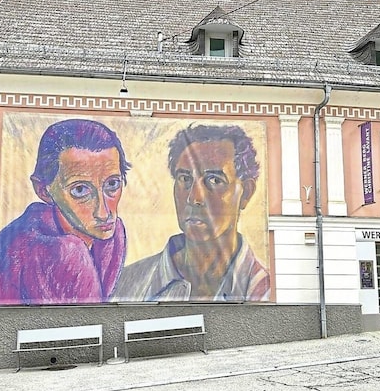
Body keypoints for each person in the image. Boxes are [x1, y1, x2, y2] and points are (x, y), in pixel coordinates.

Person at [114, 124, 269, 302]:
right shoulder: (127, 284)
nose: (194, 198)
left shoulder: (263, 290)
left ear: (246, 192)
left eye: (214, 180)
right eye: (185, 179)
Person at [0, 119, 131, 305]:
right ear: (43, 190)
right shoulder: (61, 252)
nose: (104, 212)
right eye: (80, 190)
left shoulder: (113, 236)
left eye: (112, 184)